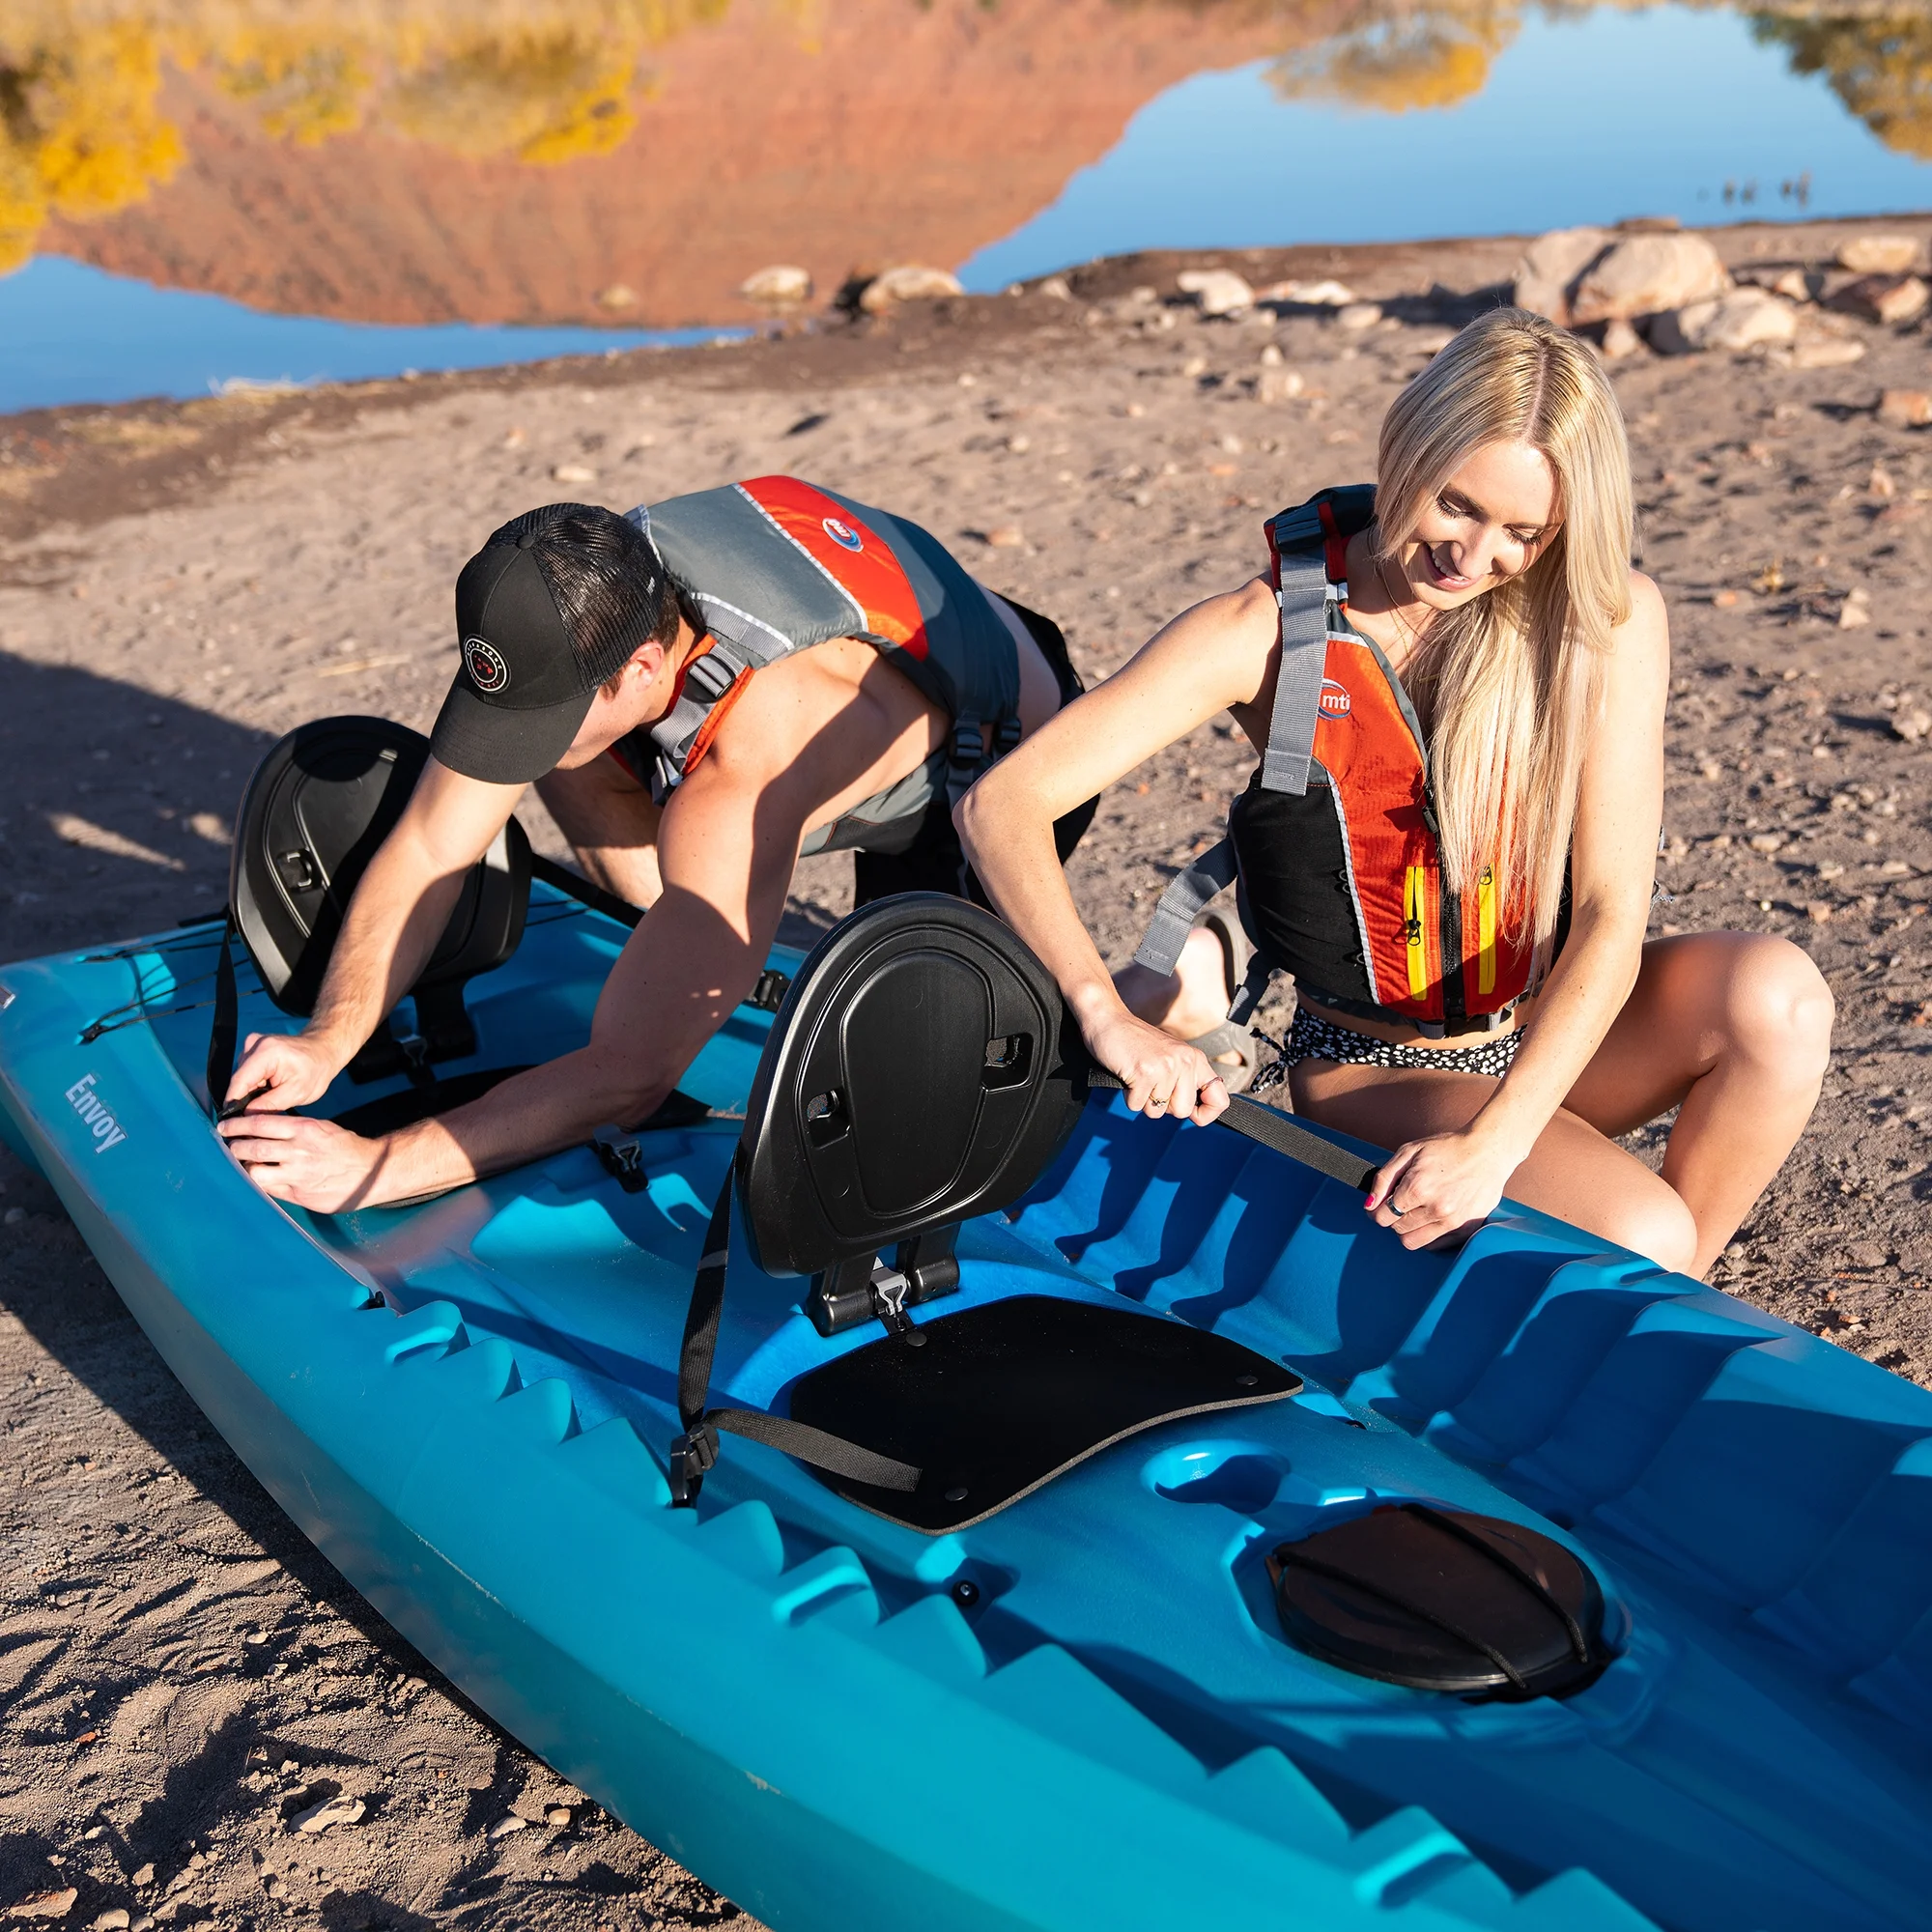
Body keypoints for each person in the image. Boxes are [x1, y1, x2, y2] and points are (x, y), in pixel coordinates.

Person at [957, 307, 1833, 1278]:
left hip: (1540, 1030)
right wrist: (1103, 1015)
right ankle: (1638, 1280)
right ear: (1407, 446)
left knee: (1778, 1000)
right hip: (1378, 1068)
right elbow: (1001, 805)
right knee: (1639, 1231)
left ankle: (1664, 1302)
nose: (1473, 557)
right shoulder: (1265, 633)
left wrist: (1498, 1142)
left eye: (1522, 532)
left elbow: (1608, 911)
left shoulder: (1604, 620)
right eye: (1456, 504)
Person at [216, 477, 1097, 1209]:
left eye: (544, 716)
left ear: (642, 668)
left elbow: (628, 1080)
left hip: (997, 754)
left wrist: (376, 1170)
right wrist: (328, 1038)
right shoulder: (571, 602)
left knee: (908, 1086)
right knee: (566, 759)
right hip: (871, 650)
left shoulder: (744, 778)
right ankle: (684, 952)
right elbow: (427, 847)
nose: (512, 748)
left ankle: (698, 952)